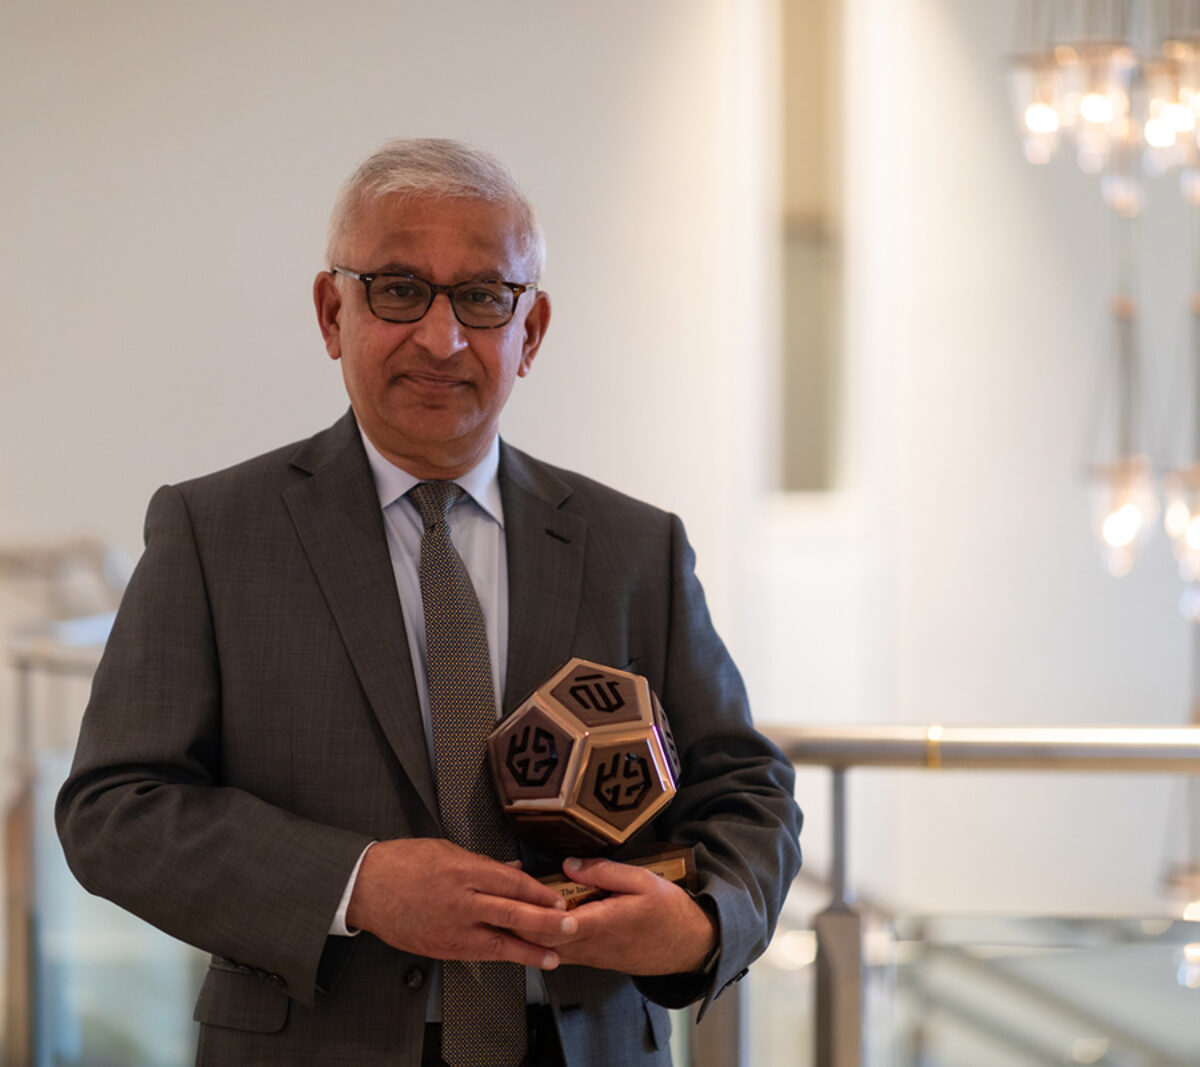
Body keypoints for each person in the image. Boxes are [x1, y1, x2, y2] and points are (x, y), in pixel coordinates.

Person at [56, 138, 802, 1067]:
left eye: (484, 297)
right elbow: (114, 810)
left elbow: (748, 790)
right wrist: (357, 883)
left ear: (529, 333)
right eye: (399, 289)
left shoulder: (632, 546)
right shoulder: (213, 532)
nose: (441, 339)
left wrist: (697, 926)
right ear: (334, 311)